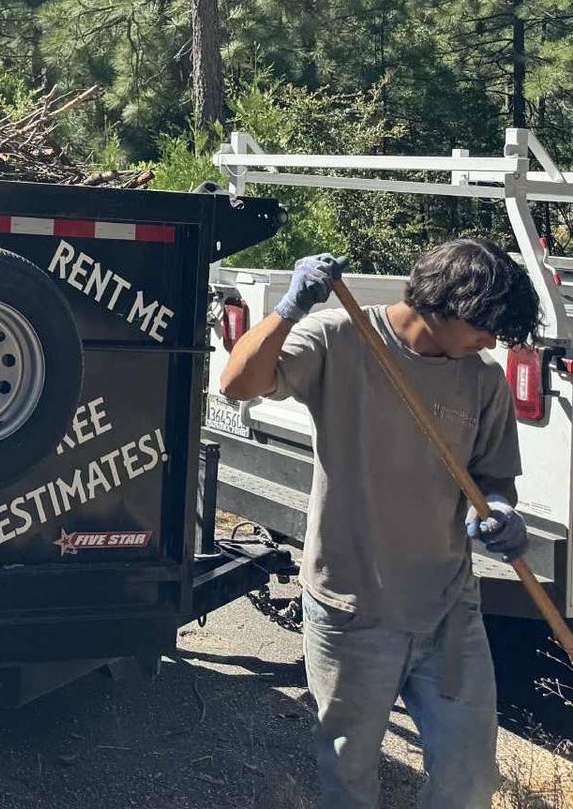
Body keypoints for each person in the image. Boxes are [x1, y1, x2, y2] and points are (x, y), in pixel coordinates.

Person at [219, 236, 540, 809]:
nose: (491, 341)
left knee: (469, 779)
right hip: (352, 609)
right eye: (485, 327)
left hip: (447, 607)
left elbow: (494, 478)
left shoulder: (482, 379)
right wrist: (288, 309)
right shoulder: (342, 339)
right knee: (349, 778)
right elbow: (238, 383)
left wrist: (502, 511)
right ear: (444, 307)